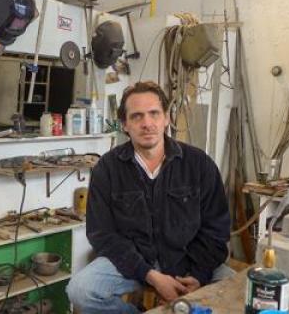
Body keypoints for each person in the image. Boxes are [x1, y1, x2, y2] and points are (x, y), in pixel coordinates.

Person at [67, 81, 231, 313]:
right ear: (124, 125)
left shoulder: (199, 164)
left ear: (166, 118)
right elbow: (102, 234)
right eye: (136, 116)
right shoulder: (107, 168)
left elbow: (216, 230)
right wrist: (150, 275)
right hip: (133, 263)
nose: (147, 123)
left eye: (154, 113)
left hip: (190, 262)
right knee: (81, 291)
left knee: (240, 291)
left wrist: (199, 275)